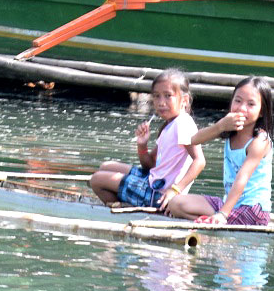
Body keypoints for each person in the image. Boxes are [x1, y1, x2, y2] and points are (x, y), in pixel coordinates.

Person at [165, 76, 274, 226]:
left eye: (251, 104)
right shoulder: (229, 129)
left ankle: (218, 220)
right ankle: (211, 221)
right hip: (228, 204)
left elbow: (242, 178)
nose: (242, 108)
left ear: (261, 111)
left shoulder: (260, 140)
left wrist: (223, 213)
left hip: (252, 210)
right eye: (238, 101)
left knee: (226, 215)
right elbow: (193, 139)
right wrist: (220, 126)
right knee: (175, 203)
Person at [88, 68, 206, 207]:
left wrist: (175, 190)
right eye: (156, 96)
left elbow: (199, 161)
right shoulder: (169, 125)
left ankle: (125, 207)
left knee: (96, 180)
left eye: (168, 96)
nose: (161, 102)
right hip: (152, 181)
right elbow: (150, 166)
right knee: (105, 166)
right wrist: (142, 145)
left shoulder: (183, 124)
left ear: (184, 100)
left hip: (160, 194)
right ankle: (126, 202)